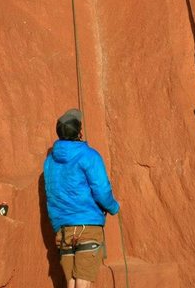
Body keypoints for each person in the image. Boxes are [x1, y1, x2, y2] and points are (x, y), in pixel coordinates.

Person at [43, 108, 120, 288]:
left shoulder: (49, 161)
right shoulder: (89, 155)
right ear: (79, 132)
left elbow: (50, 194)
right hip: (87, 226)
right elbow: (101, 190)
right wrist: (114, 207)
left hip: (63, 230)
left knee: (71, 283)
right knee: (83, 283)